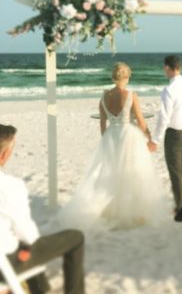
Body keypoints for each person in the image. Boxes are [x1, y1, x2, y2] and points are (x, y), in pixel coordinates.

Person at [56, 63, 167, 230]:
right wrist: (150, 137)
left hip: (110, 136)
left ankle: (110, 210)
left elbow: (102, 121)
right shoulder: (131, 95)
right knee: (132, 172)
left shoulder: (104, 96)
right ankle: (132, 212)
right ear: (127, 77)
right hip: (128, 135)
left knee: (110, 171)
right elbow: (140, 121)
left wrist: (105, 138)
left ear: (113, 77)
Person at [0, 124, 85, 294]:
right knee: (75, 238)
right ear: (3, 155)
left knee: (21, 242)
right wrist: (26, 245)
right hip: (5, 266)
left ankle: (40, 288)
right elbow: (29, 237)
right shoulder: (10, 186)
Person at [150, 55, 182, 214]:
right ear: (180, 67)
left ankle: (181, 206)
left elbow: (164, 118)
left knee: (176, 172)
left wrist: (155, 139)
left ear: (167, 68)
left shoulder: (169, 90)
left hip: (174, 135)